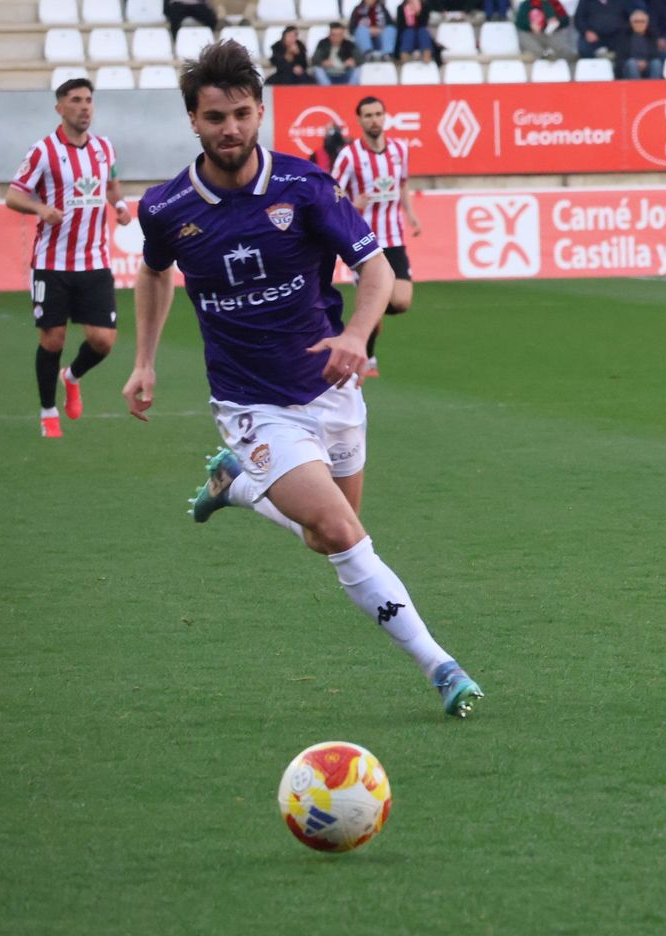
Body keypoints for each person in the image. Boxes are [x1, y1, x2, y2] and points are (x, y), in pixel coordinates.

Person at [123, 41, 484, 718]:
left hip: (331, 388)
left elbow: (376, 269)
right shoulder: (167, 208)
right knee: (344, 537)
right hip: (251, 402)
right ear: (192, 122)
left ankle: (235, 487)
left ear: (259, 112)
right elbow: (152, 270)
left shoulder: (305, 188)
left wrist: (354, 335)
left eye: (239, 113)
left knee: (330, 534)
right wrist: (143, 360)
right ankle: (442, 666)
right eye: (213, 116)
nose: (228, 128)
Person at [5, 78, 131, 439]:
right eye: (76, 100)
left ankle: (71, 376)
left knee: (103, 341)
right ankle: (48, 411)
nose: (85, 107)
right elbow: (13, 196)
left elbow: (111, 184)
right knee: (53, 340)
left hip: (94, 262)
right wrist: (40, 208)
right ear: (60, 107)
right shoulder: (42, 151)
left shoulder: (105, 147)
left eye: (89, 100)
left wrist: (120, 206)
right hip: (52, 264)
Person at [331, 96, 421, 379]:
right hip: (363, 240)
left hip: (394, 236)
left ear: (385, 117)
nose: (374, 120)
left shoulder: (399, 150)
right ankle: (367, 359)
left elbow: (403, 184)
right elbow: (330, 192)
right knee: (374, 297)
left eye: (378, 114)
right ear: (359, 120)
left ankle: (373, 313)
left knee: (402, 301)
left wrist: (412, 215)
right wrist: (352, 203)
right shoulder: (349, 156)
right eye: (368, 115)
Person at [615, 6, 665, 78]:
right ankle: (635, 89)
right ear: (631, 23)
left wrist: (645, 62)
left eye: (642, 21)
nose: (639, 24)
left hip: (647, 65)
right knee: (631, 63)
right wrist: (636, 63)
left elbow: (656, 54)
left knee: (656, 63)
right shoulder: (623, 36)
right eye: (636, 21)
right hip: (629, 67)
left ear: (647, 23)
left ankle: (654, 88)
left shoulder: (652, 35)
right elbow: (620, 58)